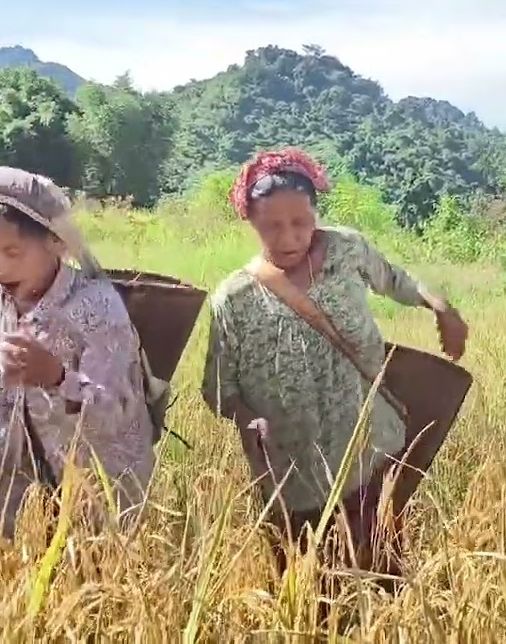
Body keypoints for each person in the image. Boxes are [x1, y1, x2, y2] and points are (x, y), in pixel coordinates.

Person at [201, 148, 469, 582]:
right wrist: (245, 417)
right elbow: (217, 387)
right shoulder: (233, 300)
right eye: (272, 227)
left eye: (300, 223)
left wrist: (440, 306)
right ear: (250, 222)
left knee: (382, 576)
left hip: (369, 454)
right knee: (309, 592)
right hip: (291, 474)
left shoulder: (347, 250)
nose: (288, 238)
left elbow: (398, 280)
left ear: (316, 214)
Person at [0, 166, 154, 539]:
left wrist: (58, 378)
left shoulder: (96, 307)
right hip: (11, 500)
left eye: (13, 252)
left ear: (53, 242)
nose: (0, 268)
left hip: (94, 496)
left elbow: (118, 410)